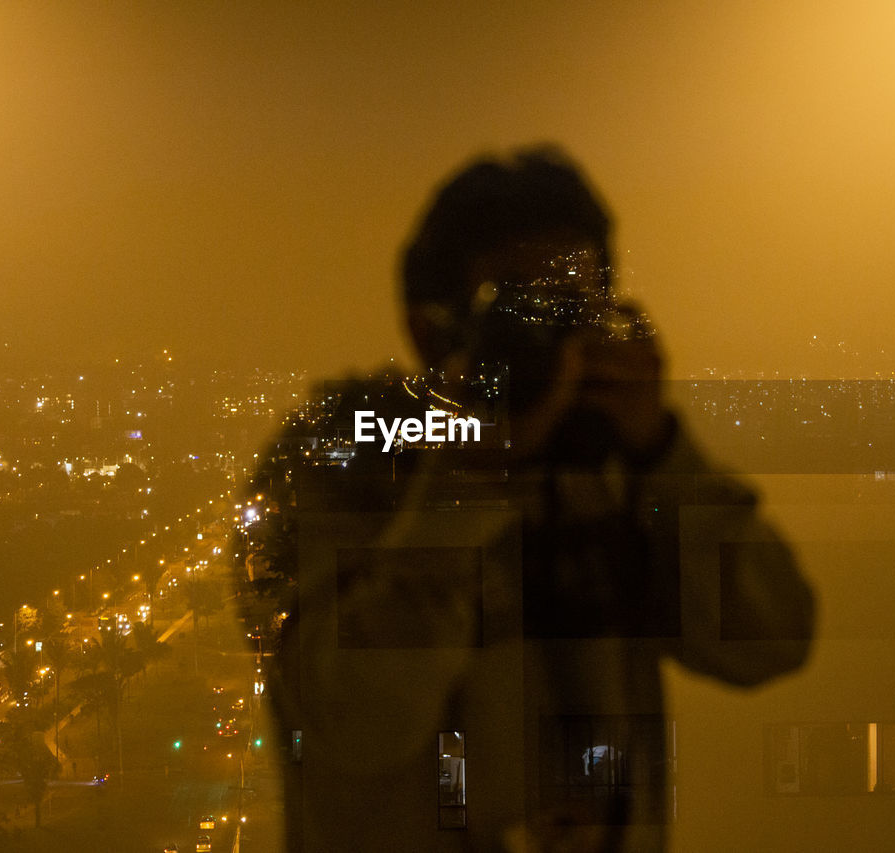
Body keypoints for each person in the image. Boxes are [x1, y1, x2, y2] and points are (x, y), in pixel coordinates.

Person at [235, 145, 814, 851]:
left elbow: (769, 640)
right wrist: (469, 477)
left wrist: (660, 452)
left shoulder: (602, 464)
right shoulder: (343, 459)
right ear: (431, 328)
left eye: (573, 312)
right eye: (514, 313)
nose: (550, 342)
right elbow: (352, 721)